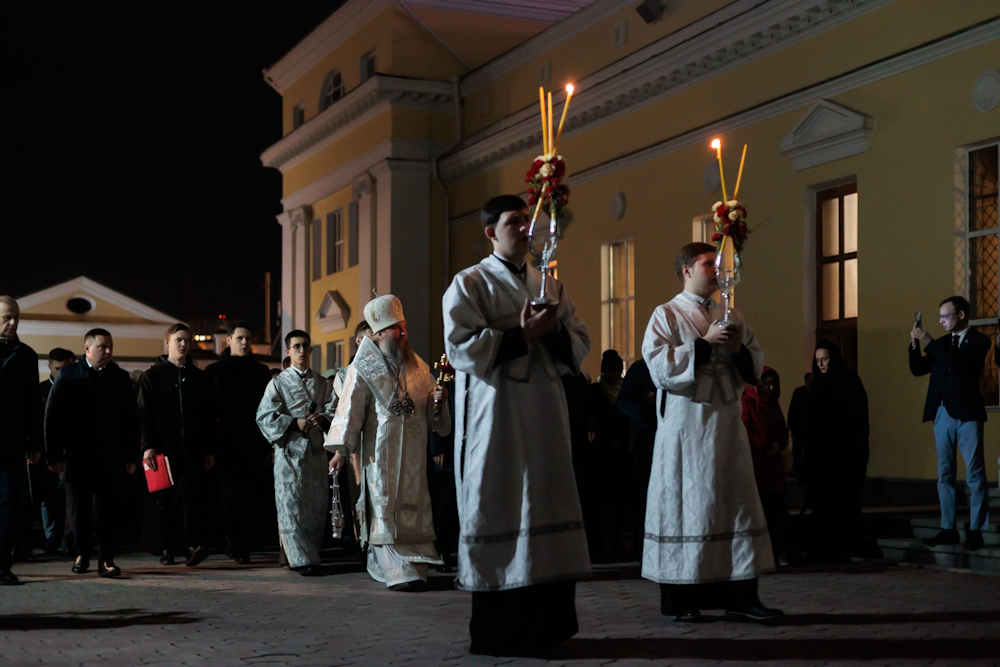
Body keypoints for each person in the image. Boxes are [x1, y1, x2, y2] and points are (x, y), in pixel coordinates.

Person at [443, 194, 591, 656]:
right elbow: (459, 346)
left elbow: (581, 342)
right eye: (514, 222)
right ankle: (502, 632)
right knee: (504, 503)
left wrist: (555, 333)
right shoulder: (469, 283)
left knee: (545, 505)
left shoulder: (550, 283)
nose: (525, 229)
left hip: (546, 412)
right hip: (498, 418)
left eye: (528, 221)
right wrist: (519, 334)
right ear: (490, 232)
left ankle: (549, 627)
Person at [642, 242, 780, 623]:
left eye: (719, 263)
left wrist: (738, 349)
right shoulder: (666, 314)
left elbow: (755, 361)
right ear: (687, 270)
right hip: (686, 428)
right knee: (687, 508)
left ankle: (742, 595)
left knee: (736, 505)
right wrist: (701, 346)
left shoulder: (730, 312)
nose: (716, 269)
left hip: (726, 425)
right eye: (708, 263)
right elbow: (658, 365)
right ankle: (684, 598)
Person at [326, 295, 451, 590]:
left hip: (412, 458)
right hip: (378, 456)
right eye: (397, 327)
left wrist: (440, 401)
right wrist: (341, 451)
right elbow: (350, 411)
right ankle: (386, 560)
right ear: (380, 333)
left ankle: (412, 562)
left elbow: (434, 417)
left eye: (404, 325)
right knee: (384, 508)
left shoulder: (419, 368)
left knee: (414, 506)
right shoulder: (363, 367)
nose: (404, 332)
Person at [44, 329, 139, 577]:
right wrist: (54, 456)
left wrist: (131, 456)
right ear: (86, 348)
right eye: (101, 347)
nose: (107, 351)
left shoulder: (119, 378)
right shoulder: (68, 375)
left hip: (109, 456)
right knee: (79, 510)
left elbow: (130, 419)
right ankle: (82, 554)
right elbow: (52, 418)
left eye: (110, 347)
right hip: (77, 455)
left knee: (105, 511)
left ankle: (106, 559)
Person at [909, 296, 991, 551]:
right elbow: (918, 369)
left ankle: (976, 530)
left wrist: (930, 342)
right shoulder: (941, 344)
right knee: (944, 473)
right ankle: (948, 528)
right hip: (942, 412)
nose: (942, 320)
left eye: (946, 315)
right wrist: (914, 343)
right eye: (940, 316)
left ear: (962, 315)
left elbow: (958, 363)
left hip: (967, 413)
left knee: (974, 474)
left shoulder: (979, 341)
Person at [138, 323, 222, 567]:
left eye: (187, 340)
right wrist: (148, 446)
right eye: (178, 340)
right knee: (164, 502)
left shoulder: (200, 378)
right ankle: (167, 548)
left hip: (193, 451)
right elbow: (144, 415)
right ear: (167, 343)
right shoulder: (152, 377)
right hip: (162, 452)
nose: (183, 344)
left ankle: (193, 545)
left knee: (192, 499)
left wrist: (209, 450)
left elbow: (211, 417)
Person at [256, 329, 335, 576]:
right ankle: (300, 559)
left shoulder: (322, 383)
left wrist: (321, 419)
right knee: (292, 505)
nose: (301, 351)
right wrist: (293, 423)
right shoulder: (277, 383)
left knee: (315, 506)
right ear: (288, 351)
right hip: (289, 454)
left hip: (315, 455)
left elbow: (335, 411)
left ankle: (307, 554)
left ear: (311, 350)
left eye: (305, 346)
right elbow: (264, 415)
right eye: (296, 346)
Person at [205, 321, 273, 564]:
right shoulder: (214, 372)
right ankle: (234, 543)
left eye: (248, 338)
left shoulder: (261, 372)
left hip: (254, 443)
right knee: (229, 498)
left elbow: (268, 411)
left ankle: (247, 542)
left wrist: (268, 445)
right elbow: (208, 411)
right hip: (225, 445)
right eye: (240, 338)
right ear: (229, 340)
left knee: (250, 496)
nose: (245, 343)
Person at [805, 340, 869, 560]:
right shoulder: (817, 385)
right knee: (823, 502)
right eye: (817, 360)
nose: (821, 364)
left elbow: (857, 420)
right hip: (823, 456)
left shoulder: (849, 381)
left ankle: (845, 544)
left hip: (845, 455)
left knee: (845, 502)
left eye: (825, 359)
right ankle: (824, 545)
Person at [0, 296, 44, 585]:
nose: (13, 322)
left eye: (16, 317)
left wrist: (35, 443)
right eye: (6, 317)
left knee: (7, 505)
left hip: (10, 442)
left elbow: (32, 403)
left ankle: (3, 565)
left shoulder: (26, 355)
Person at [584, 350, 631, 555]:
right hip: (600, 453)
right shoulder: (593, 391)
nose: (613, 375)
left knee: (620, 498)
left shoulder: (625, 391)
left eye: (617, 371)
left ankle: (617, 538)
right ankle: (597, 541)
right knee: (598, 499)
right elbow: (587, 416)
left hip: (622, 453)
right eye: (609, 371)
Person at [741, 367, 789, 564]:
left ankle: (780, 550)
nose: (770, 388)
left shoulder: (773, 404)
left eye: (773, 384)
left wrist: (779, 444)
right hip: (757, 464)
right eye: (766, 383)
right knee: (761, 510)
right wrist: (765, 444)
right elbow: (746, 431)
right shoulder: (746, 403)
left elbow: (782, 429)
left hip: (773, 466)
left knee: (778, 510)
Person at [616, 356, 658, 560]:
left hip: (668, 440)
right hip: (646, 442)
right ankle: (644, 550)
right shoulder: (641, 368)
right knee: (650, 495)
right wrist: (652, 413)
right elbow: (624, 400)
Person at [38, 348, 76, 554]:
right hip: (46, 452)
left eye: (64, 368)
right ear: (49, 367)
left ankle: (67, 537)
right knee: (49, 497)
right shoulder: (41, 390)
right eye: (57, 368)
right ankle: (52, 537)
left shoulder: (75, 387)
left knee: (68, 497)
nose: (60, 372)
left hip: (69, 451)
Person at [786, 373, 811, 479]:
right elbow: (793, 408)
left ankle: (804, 470)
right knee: (797, 450)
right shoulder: (799, 392)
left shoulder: (800, 391)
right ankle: (797, 470)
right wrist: (790, 423)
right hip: (799, 425)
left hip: (806, 425)